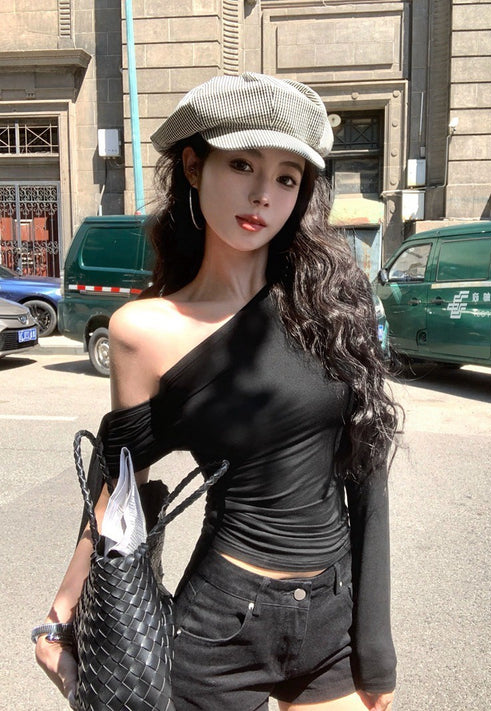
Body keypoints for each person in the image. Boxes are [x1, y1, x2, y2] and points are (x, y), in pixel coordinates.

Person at [34, 72, 399, 711]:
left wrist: (376, 649)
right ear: (194, 167)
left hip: (331, 620)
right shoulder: (143, 331)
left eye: (287, 177)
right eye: (242, 164)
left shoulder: (331, 308)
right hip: (220, 625)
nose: (263, 194)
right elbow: (122, 490)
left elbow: (366, 474)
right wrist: (64, 611)